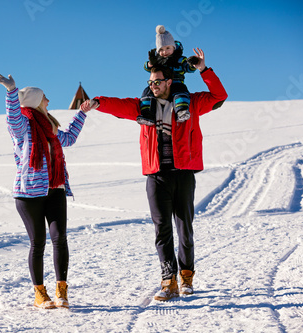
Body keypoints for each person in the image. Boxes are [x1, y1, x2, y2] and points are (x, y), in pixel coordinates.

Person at [81, 49, 227, 301]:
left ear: (169, 82)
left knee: (184, 229)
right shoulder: (143, 107)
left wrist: (204, 69)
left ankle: (187, 277)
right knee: (162, 230)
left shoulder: (191, 102)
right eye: (150, 83)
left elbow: (219, 95)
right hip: (156, 176)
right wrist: (97, 102)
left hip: (182, 175)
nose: (153, 86)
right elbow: (119, 104)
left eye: (157, 82)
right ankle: (168, 279)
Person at [0, 73, 89, 309]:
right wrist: (11, 91)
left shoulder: (51, 127)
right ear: (35, 101)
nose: (48, 100)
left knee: (60, 239)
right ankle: (40, 294)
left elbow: (69, 139)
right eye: (44, 97)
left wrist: (83, 113)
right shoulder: (23, 127)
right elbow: (13, 116)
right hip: (29, 195)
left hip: (55, 189)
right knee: (38, 244)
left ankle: (61, 291)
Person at [138, 25, 198, 126]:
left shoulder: (179, 60)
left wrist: (193, 63)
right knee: (148, 91)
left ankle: (181, 110)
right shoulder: (158, 61)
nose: (164, 52)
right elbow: (147, 68)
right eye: (161, 50)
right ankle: (147, 114)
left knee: (181, 91)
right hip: (161, 86)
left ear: (173, 47)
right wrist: (151, 63)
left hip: (176, 83)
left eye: (167, 48)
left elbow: (188, 68)